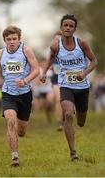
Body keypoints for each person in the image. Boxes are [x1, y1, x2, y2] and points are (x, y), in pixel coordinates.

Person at [40, 14, 97, 161]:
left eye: (71, 26)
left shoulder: (82, 43)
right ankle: (73, 152)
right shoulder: (55, 46)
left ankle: (79, 114)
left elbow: (94, 61)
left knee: (81, 122)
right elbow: (51, 59)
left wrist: (84, 73)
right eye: (65, 25)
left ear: (74, 29)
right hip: (66, 85)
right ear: (61, 27)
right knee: (68, 114)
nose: (68, 28)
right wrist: (44, 72)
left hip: (82, 86)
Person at [0, 25, 39, 166]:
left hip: (25, 94)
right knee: (11, 121)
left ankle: (18, 134)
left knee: (22, 131)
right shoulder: (0, 52)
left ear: (19, 39)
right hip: (8, 93)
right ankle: (15, 156)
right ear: (5, 40)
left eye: (14, 39)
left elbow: (36, 70)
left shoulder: (26, 50)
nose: (11, 42)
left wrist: (25, 80)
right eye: (8, 39)